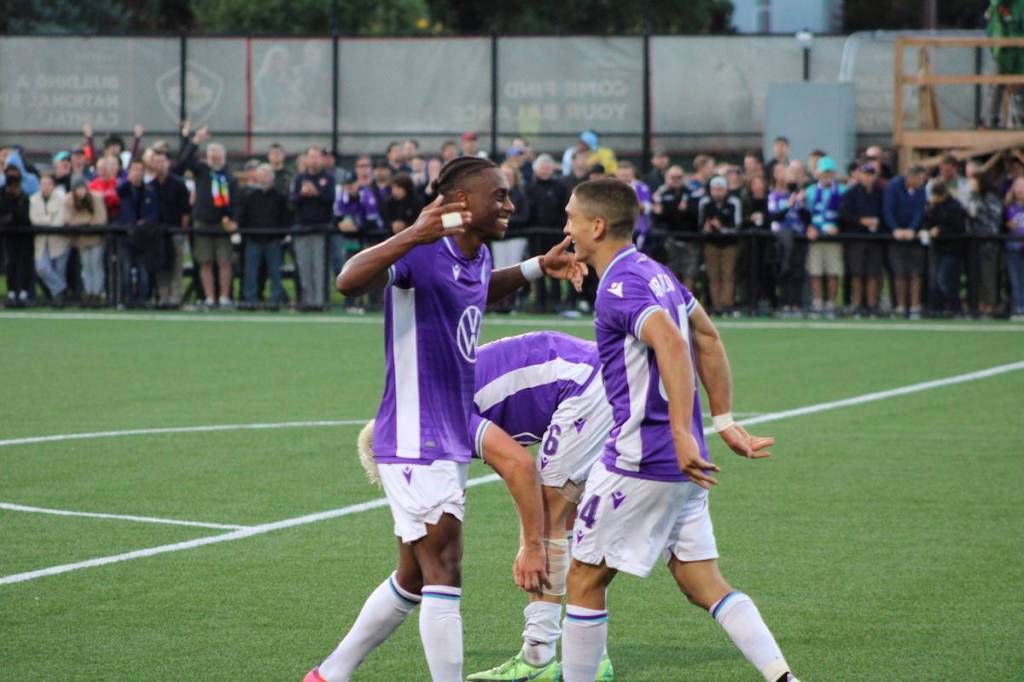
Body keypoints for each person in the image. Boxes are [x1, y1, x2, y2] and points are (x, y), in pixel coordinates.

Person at [306, 156, 585, 682]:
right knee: (445, 569)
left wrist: (533, 268)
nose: (509, 205)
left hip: (449, 429)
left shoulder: (474, 254)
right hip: (416, 435)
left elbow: (475, 290)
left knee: (414, 577)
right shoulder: (423, 252)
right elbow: (348, 281)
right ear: (461, 202)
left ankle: (329, 674)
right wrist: (412, 233)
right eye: (498, 195)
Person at [559, 177, 799, 682]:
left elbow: (671, 342)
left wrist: (681, 434)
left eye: (571, 219)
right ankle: (784, 678)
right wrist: (722, 421)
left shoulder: (620, 287)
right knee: (700, 581)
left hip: (640, 460)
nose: (566, 229)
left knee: (583, 578)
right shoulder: (655, 272)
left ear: (597, 226)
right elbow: (705, 335)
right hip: (682, 467)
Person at [175, 126, 238, 308]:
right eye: (211, 153)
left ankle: (224, 297)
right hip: (203, 222)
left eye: (217, 153)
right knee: (205, 262)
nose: (214, 156)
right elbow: (184, 163)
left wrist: (232, 219)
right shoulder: (202, 171)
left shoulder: (229, 176)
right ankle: (209, 297)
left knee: (225, 261)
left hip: (222, 224)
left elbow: (236, 201)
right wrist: (195, 141)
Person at [239, 163, 290, 309]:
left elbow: (285, 217)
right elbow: (243, 216)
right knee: (251, 272)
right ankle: (250, 300)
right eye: (261, 175)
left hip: (273, 240)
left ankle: (275, 301)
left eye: (266, 175)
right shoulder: (250, 196)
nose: (263, 178)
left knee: (275, 272)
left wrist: (280, 234)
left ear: (271, 177)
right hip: (253, 239)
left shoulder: (279, 197)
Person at [290, 146, 335, 310]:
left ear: (321, 160)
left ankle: (320, 301)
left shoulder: (328, 179)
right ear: (306, 159)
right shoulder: (299, 178)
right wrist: (302, 194)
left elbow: (331, 200)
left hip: (321, 230)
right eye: (311, 157)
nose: (314, 160)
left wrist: (316, 193)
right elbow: (292, 202)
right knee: (304, 267)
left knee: (320, 267)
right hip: (302, 229)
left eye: (317, 157)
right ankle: (307, 301)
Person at [840, 164, 887, 315]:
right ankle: (857, 305)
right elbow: (844, 214)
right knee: (856, 273)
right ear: (859, 175)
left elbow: (886, 212)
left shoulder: (880, 193)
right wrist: (861, 220)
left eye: (871, 174)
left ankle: (872, 306)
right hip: (856, 238)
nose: (868, 177)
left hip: (875, 239)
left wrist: (878, 222)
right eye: (865, 174)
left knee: (873, 273)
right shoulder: (851, 193)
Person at [883, 166, 928, 318]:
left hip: (913, 237)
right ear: (911, 177)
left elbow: (919, 211)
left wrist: (912, 229)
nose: (922, 182)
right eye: (920, 179)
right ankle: (900, 306)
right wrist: (895, 229)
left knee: (916, 273)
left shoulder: (921, 190)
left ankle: (915, 307)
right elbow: (888, 210)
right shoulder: (893, 187)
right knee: (899, 273)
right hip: (896, 237)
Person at [150, 149, 192, 309]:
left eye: (162, 161)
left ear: (168, 163)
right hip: (158, 233)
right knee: (160, 265)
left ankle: (175, 297)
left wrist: (182, 232)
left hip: (175, 231)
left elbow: (185, 211)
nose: (160, 165)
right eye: (156, 162)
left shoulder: (178, 185)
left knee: (176, 266)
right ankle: (163, 296)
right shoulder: (151, 186)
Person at [116, 160, 161, 308]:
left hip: (143, 237)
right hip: (125, 235)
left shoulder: (149, 191)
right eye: (134, 170)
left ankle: (143, 299)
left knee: (143, 269)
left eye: (140, 170)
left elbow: (154, 213)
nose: (137, 173)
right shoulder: (124, 190)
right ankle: (127, 299)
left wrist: (145, 222)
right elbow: (117, 196)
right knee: (126, 268)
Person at [804, 156, 844, 318]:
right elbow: (804, 214)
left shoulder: (842, 191)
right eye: (824, 172)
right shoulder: (810, 191)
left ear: (833, 173)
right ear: (818, 174)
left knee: (833, 272)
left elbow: (846, 214)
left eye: (829, 172)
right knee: (816, 272)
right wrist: (809, 227)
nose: (826, 175)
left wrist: (839, 227)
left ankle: (830, 304)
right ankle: (817, 303)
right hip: (816, 238)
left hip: (833, 238)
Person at [768, 166, 810, 316]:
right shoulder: (775, 196)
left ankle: (796, 304)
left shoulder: (800, 195)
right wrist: (788, 205)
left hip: (799, 236)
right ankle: (784, 303)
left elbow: (807, 218)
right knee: (785, 269)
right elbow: (774, 217)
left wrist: (800, 204)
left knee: (798, 271)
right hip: (782, 238)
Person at [698, 176, 743, 314]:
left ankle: (727, 305)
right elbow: (700, 224)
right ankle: (716, 306)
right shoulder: (705, 203)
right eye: (715, 189)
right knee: (713, 275)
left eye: (720, 189)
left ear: (726, 190)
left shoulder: (733, 202)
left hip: (729, 244)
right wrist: (706, 229)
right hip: (711, 243)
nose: (717, 192)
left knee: (728, 274)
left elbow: (737, 225)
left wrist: (721, 228)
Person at [924, 183, 967, 316]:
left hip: (952, 250)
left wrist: (941, 230)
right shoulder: (934, 207)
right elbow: (927, 222)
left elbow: (959, 228)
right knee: (935, 281)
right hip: (938, 249)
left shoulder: (955, 207)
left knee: (945, 280)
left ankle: (956, 309)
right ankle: (936, 310)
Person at [653, 164, 699, 291]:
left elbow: (698, 214)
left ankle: (687, 300)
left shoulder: (692, 193)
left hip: (690, 238)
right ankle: (673, 299)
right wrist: (660, 212)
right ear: (667, 178)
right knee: (670, 273)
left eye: (679, 177)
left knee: (689, 273)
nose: (676, 180)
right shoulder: (661, 194)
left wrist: (687, 209)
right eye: (673, 177)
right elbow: (659, 217)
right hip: (670, 239)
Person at [65, 179, 108, 306]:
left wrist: (82, 221)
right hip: (81, 239)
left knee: (96, 264)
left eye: (82, 188)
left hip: (96, 238)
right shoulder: (70, 200)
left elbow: (101, 219)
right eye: (77, 189)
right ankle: (89, 292)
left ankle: (97, 292)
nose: (80, 191)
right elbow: (69, 220)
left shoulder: (96, 198)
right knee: (86, 265)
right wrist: (87, 221)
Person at [966, 173, 1003, 317]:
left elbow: (994, 224)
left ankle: (990, 306)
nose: (970, 185)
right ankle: (979, 305)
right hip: (974, 244)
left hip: (988, 244)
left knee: (988, 276)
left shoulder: (991, 199)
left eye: (973, 182)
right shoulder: (975, 197)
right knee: (977, 277)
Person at [30, 173, 69, 306]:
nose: (45, 187)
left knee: (59, 271)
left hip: (59, 240)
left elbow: (60, 220)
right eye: (42, 184)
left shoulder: (62, 199)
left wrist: (45, 221)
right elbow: (34, 220)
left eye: (48, 184)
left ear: (53, 185)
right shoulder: (33, 199)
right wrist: (49, 219)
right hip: (41, 241)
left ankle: (58, 299)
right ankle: (61, 289)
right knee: (42, 268)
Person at [1, 164, 34, 307]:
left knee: (25, 263)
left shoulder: (24, 196)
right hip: (8, 235)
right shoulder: (2, 196)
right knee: (11, 263)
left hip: (24, 235)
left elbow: (25, 217)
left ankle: (24, 293)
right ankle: (12, 293)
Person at [1004, 175, 1024, 320]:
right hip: (1014, 246)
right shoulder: (1008, 206)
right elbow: (1000, 223)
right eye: (1018, 186)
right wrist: (1006, 225)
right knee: (1016, 279)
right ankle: (1018, 308)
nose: (1020, 190)